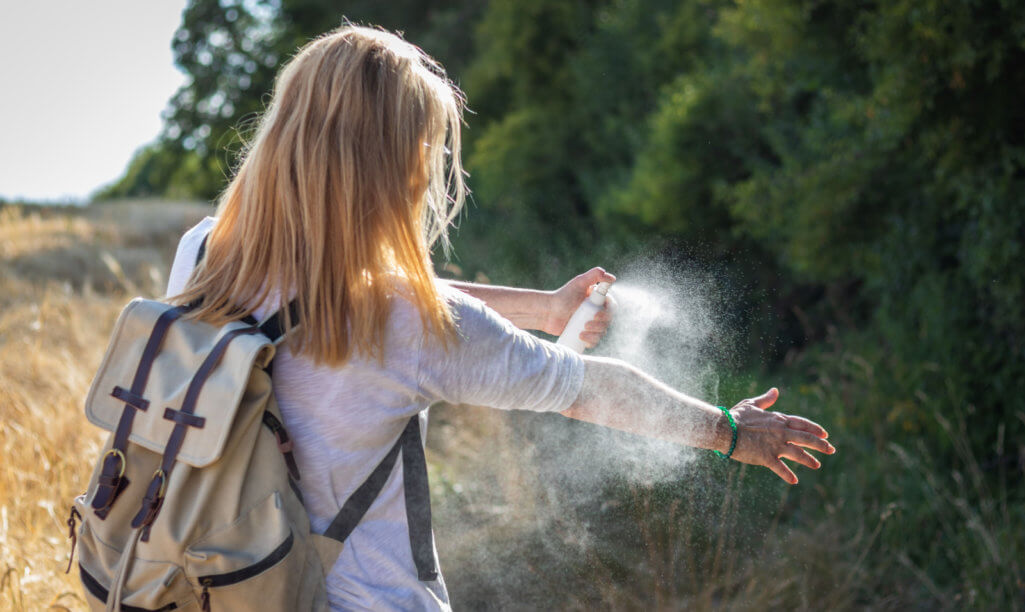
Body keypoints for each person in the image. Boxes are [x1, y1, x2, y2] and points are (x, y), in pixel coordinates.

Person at [167, 25, 834, 611]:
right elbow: (590, 388)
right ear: (392, 163)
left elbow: (355, 288)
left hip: (213, 591)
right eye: (424, 146)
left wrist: (544, 309)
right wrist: (727, 430)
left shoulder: (204, 255)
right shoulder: (407, 325)